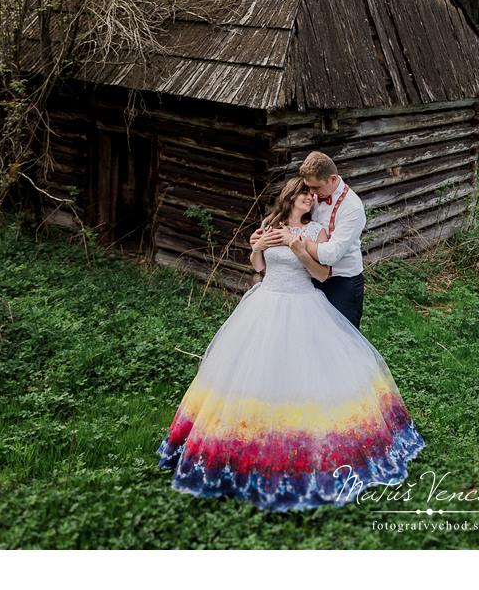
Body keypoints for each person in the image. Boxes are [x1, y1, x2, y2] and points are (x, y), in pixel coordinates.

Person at [155, 177, 424, 511]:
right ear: (291, 197)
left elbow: (323, 275)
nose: (310, 199)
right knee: (252, 370)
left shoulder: (315, 233)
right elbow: (259, 267)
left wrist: (297, 245)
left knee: (306, 373)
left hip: (302, 301)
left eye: (313, 195)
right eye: (304, 194)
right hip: (266, 301)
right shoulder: (269, 224)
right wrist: (256, 248)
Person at [255, 150, 367, 330]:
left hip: (341, 282)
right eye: (308, 188)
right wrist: (263, 232)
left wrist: (295, 240)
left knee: (343, 337)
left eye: (315, 188)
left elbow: (331, 255)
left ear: (332, 179)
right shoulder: (314, 194)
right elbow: (289, 209)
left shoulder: (352, 208)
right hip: (307, 279)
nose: (312, 194)